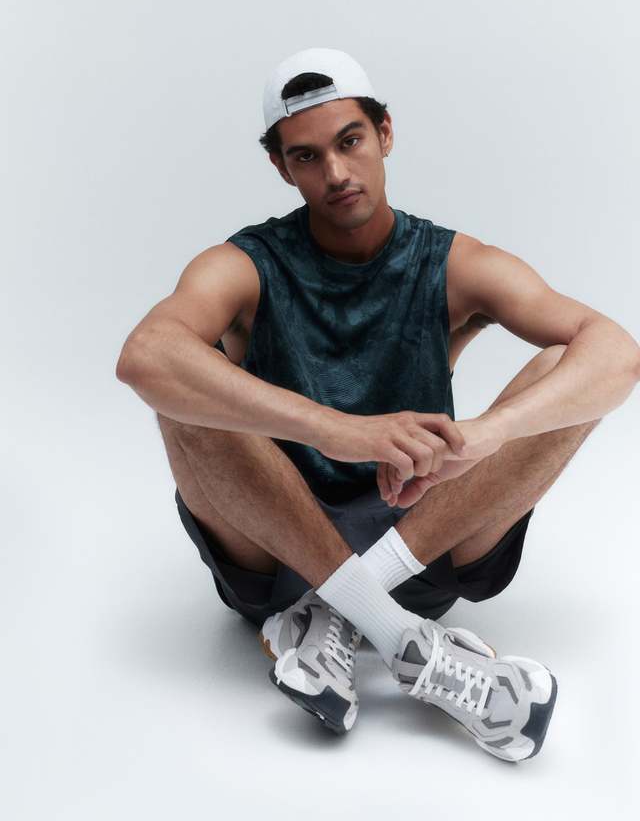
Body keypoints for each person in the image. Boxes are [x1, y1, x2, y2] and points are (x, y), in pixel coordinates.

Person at [116, 47, 640, 761]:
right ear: (281, 167)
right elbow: (145, 356)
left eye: (350, 141)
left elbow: (616, 354)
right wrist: (336, 430)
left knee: (562, 368)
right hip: (279, 549)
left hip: (418, 546)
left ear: (385, 133)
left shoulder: (453, 263)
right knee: (185, 384)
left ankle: (340, 610)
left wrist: (486, 435)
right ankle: (399, 639)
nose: (335, 173)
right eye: (306, 157)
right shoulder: (245, 265)